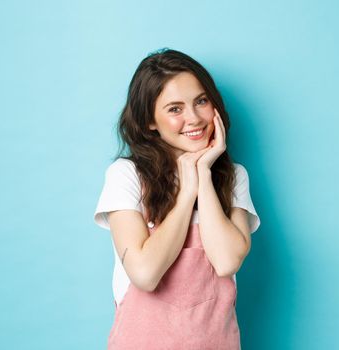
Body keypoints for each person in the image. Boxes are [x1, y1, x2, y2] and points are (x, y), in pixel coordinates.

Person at [94, 48, 260, 350]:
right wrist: (186, 193)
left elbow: (226, 262)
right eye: (174, 109)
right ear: (149, 122)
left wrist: (204, 174)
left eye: (201, 101)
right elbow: (145, 274)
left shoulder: (235, 176)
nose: (194, 118)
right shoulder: (126, 175)